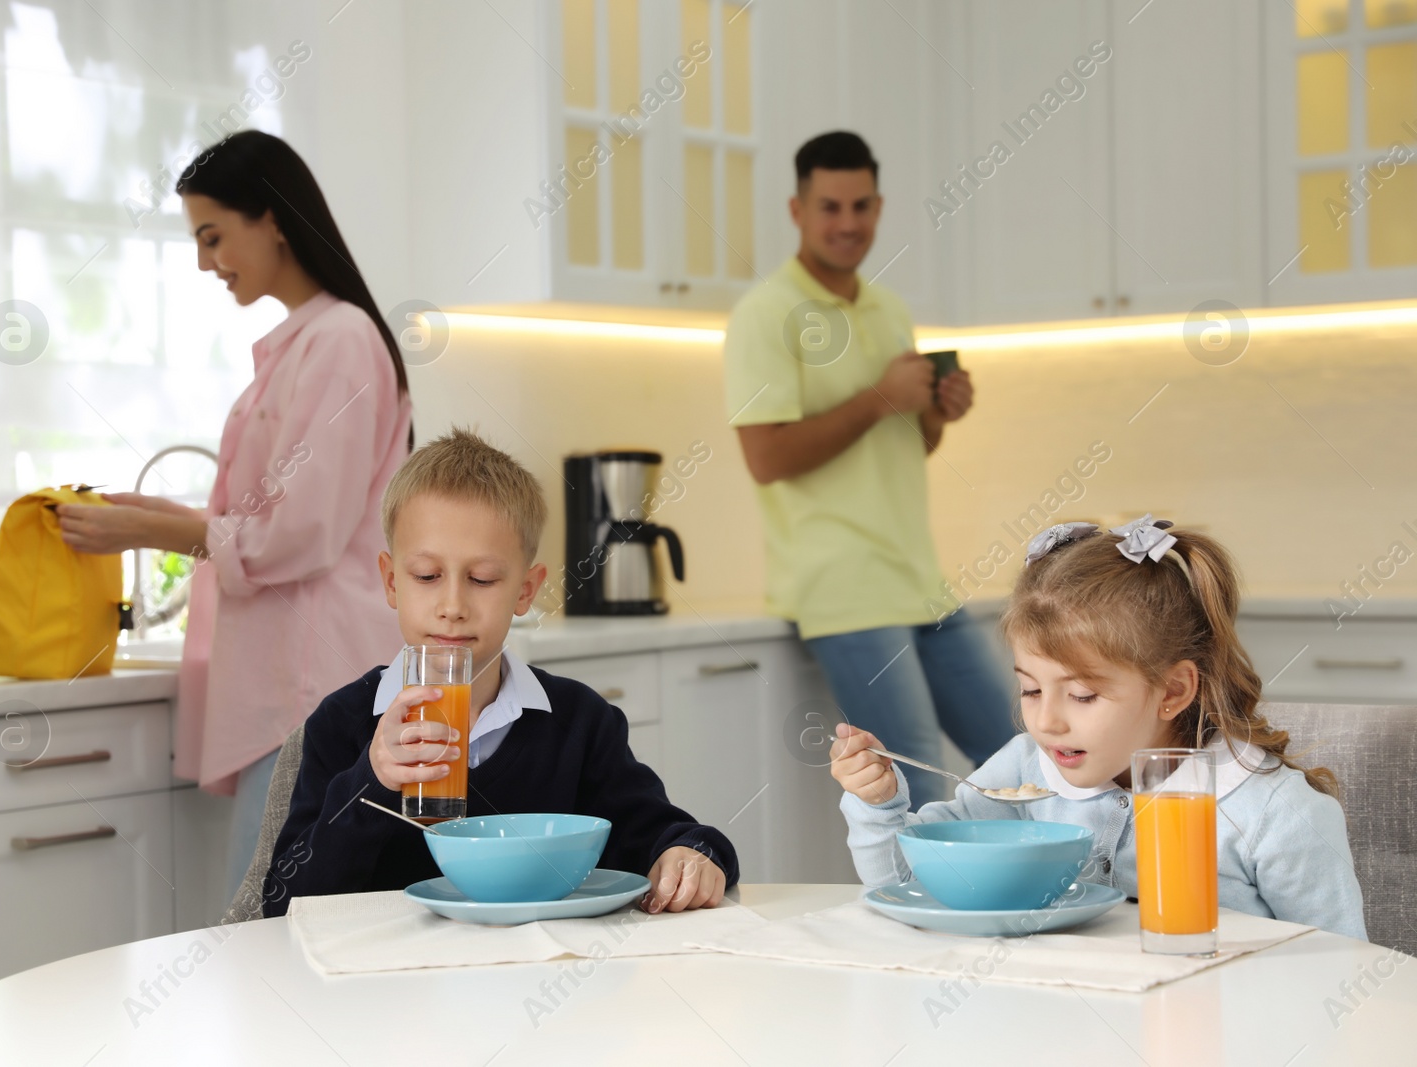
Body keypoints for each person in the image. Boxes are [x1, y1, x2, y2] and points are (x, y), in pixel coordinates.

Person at [57, 131, 410, 900]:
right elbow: (282, 516)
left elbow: (303, 532)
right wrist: (174, 519)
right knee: (275, 931)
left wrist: (156, 531)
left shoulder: (342, 341)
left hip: (315, 687)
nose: (203, 261)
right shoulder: (306, 344)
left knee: (273, 929)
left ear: (273, 220)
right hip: (295, 688)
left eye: (212, 236)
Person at [261, 429, 736, 916]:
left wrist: (694, 855)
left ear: (526, 591)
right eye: (426, 576)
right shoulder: (342, 726)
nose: (452, 606)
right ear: (391, 582)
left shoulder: (579, 723)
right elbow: (284, 903)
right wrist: (374, 778)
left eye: (482, 579)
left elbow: (664, 835)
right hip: (393, 988)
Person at [830, 516, 1367, 939]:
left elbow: (1340, 972)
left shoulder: (1270, 811)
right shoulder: (1025, 770)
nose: (1046, 720)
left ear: (1174, 691)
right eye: (1031, 689)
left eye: (1083, 694)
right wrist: (879, 805)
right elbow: (909, 882)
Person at [723, 130, 1013, 806]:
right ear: (797, 211)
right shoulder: (764, 316)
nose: (847, 223)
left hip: (920, 579)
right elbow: (765, 458)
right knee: (908, 783)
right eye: (830, 207)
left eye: (861, 206)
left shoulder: (890, 310)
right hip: (843, 589)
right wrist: (880, 397)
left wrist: (937, 412)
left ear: (879, 208)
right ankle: (922, 910)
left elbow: (907, 444)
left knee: (1017, 756)